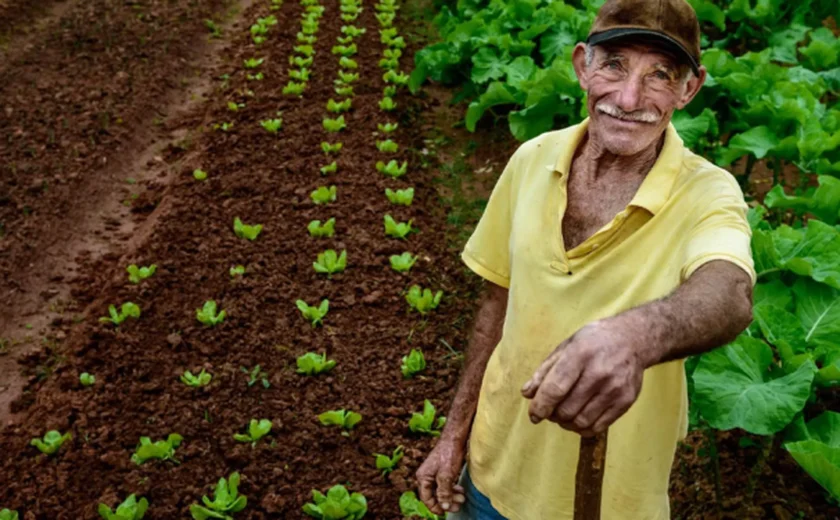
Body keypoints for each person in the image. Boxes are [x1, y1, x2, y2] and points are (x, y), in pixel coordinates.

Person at [415, 0, 757, 518]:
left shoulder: (709, 194)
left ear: (689, 89)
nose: (628, 97)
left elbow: (729, 292)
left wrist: (636, 336)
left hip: (609, 502)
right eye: (614, 64)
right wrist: (454, 435)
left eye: (660, 75)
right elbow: (496, 302)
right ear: (582, 66)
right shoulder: (531, 159)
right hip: (488, 475)